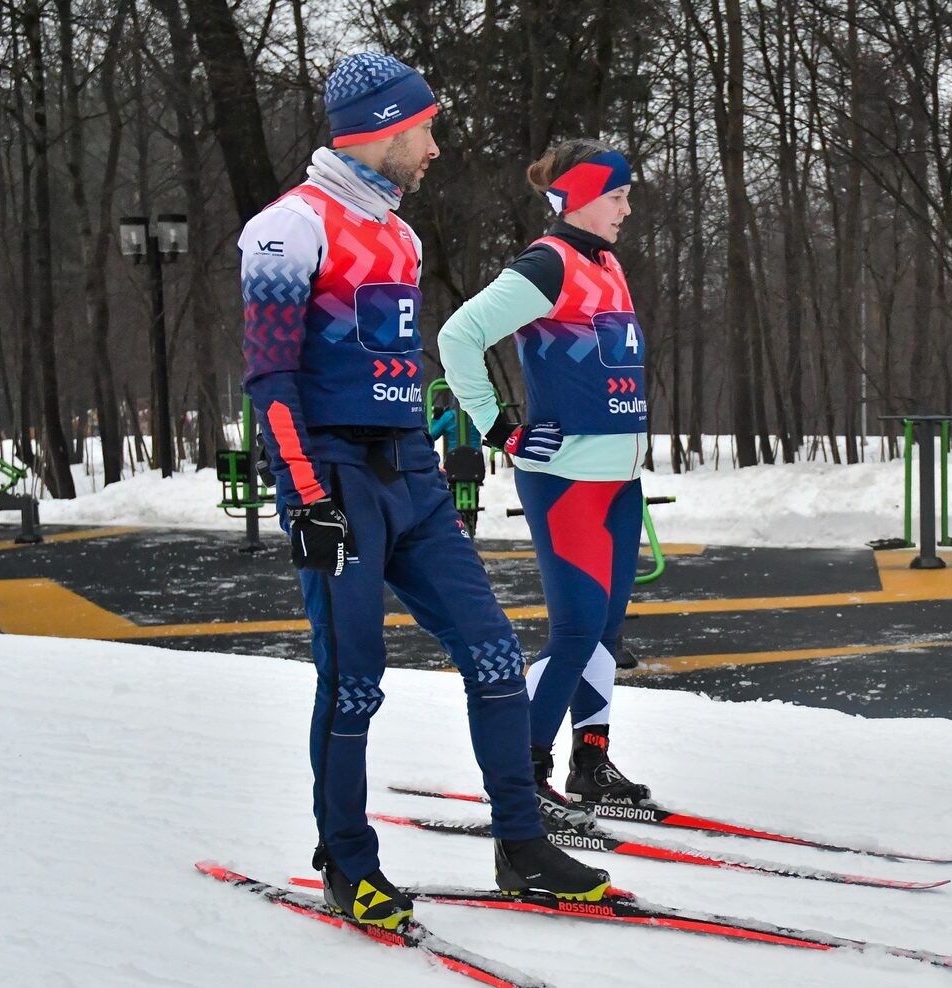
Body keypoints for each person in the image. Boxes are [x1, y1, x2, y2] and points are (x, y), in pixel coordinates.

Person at [238, 53, 609, 929]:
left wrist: (444, 445)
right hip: (332, 479)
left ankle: (521, 846)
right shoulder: (288, 229)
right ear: (385, 129)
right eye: (427, 129)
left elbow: (396, 365)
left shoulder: (399, 235)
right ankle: (347, 861)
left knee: (492, 653)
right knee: (355, 680)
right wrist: (305, 495)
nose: (436, 147)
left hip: (410, 475)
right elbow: (269, 378)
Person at [438, 138, 651, 823]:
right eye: (617, 196)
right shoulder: (548, 263)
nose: (627, 207)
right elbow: (458, 337)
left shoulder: (608, 263)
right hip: (565, 482)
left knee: (605, 632)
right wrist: (499, 429)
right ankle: (522, 771)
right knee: (575, 634)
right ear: (584, 199)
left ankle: (590, 759)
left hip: (617, 484)